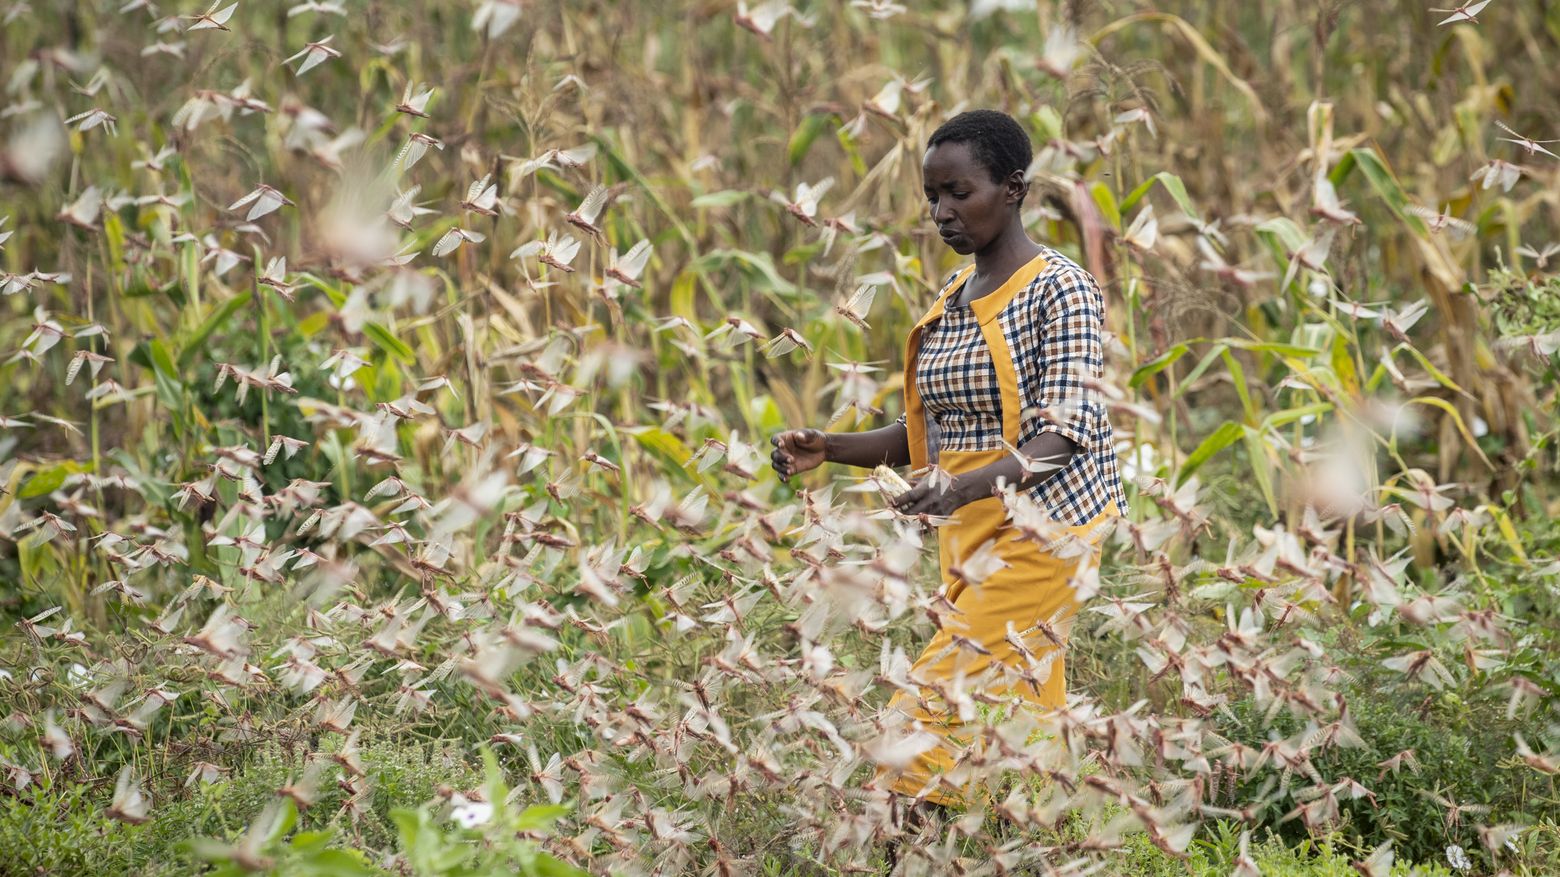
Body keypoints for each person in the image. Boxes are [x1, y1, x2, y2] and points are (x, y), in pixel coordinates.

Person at [769, 109, 1127, 814]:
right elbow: (925, 430)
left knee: (923, 716)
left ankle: (895, 841)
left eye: (959, 192)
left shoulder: (1062, 289)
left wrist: (959, 488)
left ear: (1014, 189)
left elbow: (1065, 432)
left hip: (1049, 532)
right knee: (1015, 724)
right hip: (971, 536)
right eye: (932, 196)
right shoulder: (951, 303)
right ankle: (1026, 841)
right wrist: (831, 447)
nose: (941, 212)